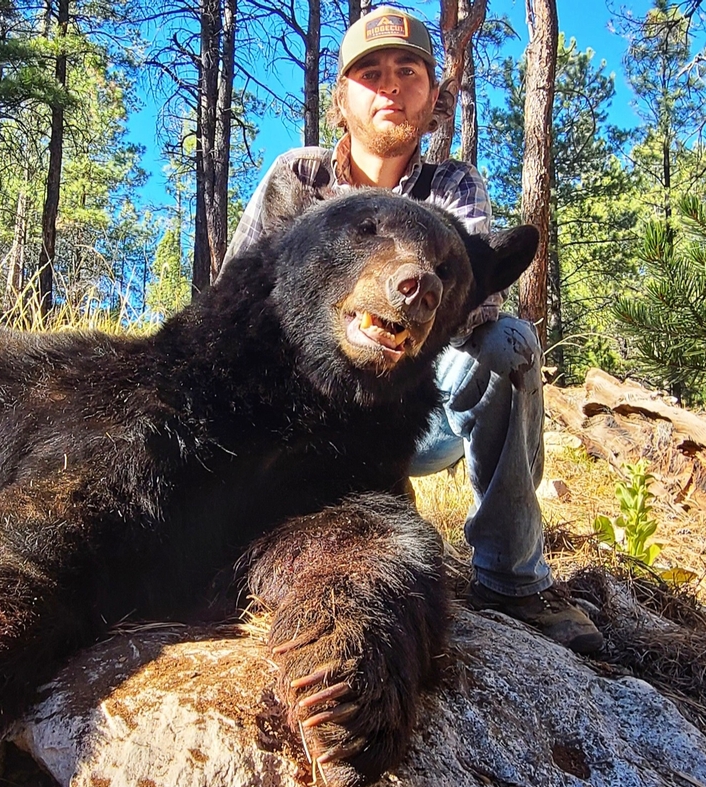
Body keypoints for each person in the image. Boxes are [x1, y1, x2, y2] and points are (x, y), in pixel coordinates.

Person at [224, 7, 603, 654]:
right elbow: (235, 303)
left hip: (413, 413)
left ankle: (512, 579)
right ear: (341, 100)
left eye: (408, 72)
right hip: (298, 419)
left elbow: (474, 309)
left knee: (507, 342)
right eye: (370, 74)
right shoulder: (298, 178)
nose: (391, 86)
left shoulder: (452, 187)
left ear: (434, 97)